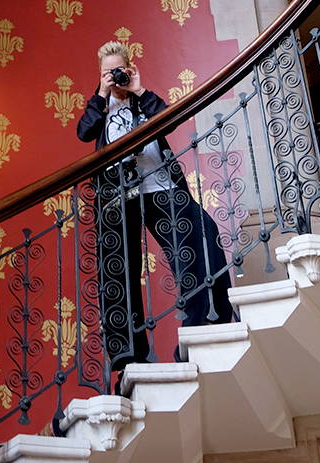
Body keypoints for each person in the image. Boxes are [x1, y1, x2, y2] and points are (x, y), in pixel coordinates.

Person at [76, 40, 233, 383]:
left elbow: (168, 121)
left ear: (129, 69)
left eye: (120, 71)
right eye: (108, 73)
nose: (114, 77)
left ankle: (204, 321)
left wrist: (139, 88)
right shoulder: (98, 109)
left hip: (161, 188)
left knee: (198, 239)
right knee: (119, 272)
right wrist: (101, 95)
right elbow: (83, 133)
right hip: (118, 198)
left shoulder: (143, 100)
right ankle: (130, 356)